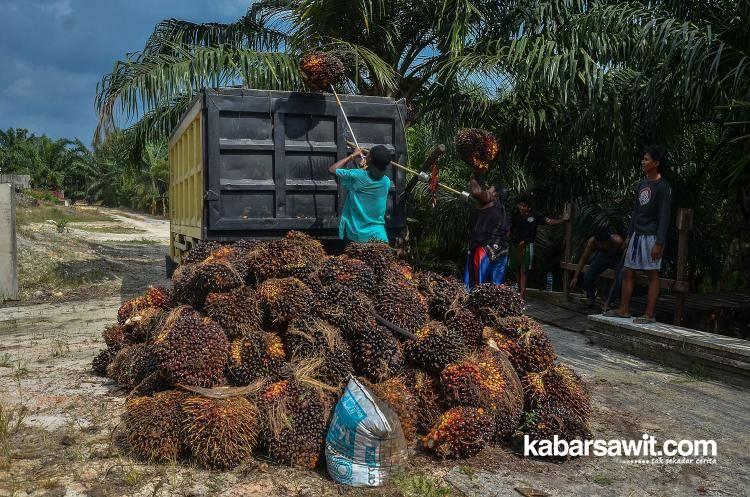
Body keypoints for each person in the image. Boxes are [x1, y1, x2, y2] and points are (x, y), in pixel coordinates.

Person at [605, 145, 672, 323]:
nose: (643, 162)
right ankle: (624, 309)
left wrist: (659, 242)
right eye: (643, 159)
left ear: (656, 163)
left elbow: (664, 216)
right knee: (628, 272)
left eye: (647, 159)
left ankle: (649, 314)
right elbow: (635, 212)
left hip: (651, 235)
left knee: (652, 274)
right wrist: (629, 234)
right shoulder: (642, 184)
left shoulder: (663, 187)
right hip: (637, 234)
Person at [328, 145, 392, 243]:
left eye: (367, 155)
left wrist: (353, 156)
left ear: (370, 159)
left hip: (357, 234)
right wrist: (365, 167)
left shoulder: (358, 175)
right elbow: (370, 178)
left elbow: (332, 169)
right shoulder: (386, 182)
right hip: (379, 236)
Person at [510, 195, 568, 300]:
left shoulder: (535, 215)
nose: (522, 208)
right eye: (520, 205)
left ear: (529, 207)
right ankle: (518, 290)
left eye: (524, 206)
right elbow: (509, 230)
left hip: (528, 245)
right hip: (515, 245)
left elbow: (549, 221)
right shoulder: (515, 216)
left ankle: (522, 294)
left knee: (524, 270)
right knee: (515, 269)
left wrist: (562, 221)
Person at [464, 173, 511, 288]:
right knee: (495, 289)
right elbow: (508, 233)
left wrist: (473, 176)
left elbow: (476, 192)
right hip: (502, 251)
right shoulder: (505, 213)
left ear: (495, 194)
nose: (487, 190)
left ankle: (475, 306)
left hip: (485, 249)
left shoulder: (492, 201)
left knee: (478, 286)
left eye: (490, 189)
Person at [569, 225, 625, 308]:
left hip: (618, 258)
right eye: (601, 244)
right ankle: (591, 297)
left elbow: (624, 257)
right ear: (596, 241)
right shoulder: (592, 242)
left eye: (606, 243)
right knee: (588, 276)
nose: (604, 246)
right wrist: (575, 277)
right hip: (603, 257)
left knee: (619, 279)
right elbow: (583, 259)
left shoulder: (617, 241)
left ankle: (609, 302)